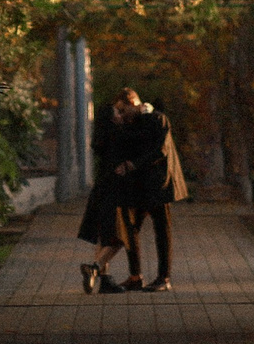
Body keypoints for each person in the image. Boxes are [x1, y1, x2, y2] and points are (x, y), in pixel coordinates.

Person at [113, 87, 188, 292]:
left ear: (132, 103)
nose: (121, 115)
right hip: (140, 184)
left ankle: (164, 278)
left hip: (158, 183)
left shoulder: (157, 119)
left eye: (122, 110)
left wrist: (132, 165)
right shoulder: (132, 123)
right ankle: (136, 276)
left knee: (161, 229)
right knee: (131, 228)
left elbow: (159, 150)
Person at [75, 100, 135, 294]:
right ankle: (95, 267)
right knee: (121, 236)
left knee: (103, 235)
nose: (120, 114)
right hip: (115, 190)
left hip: (101, 189)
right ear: (111, 117)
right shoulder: (118, 134)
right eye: (117, 112)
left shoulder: (101, 136)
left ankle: (105, 280)